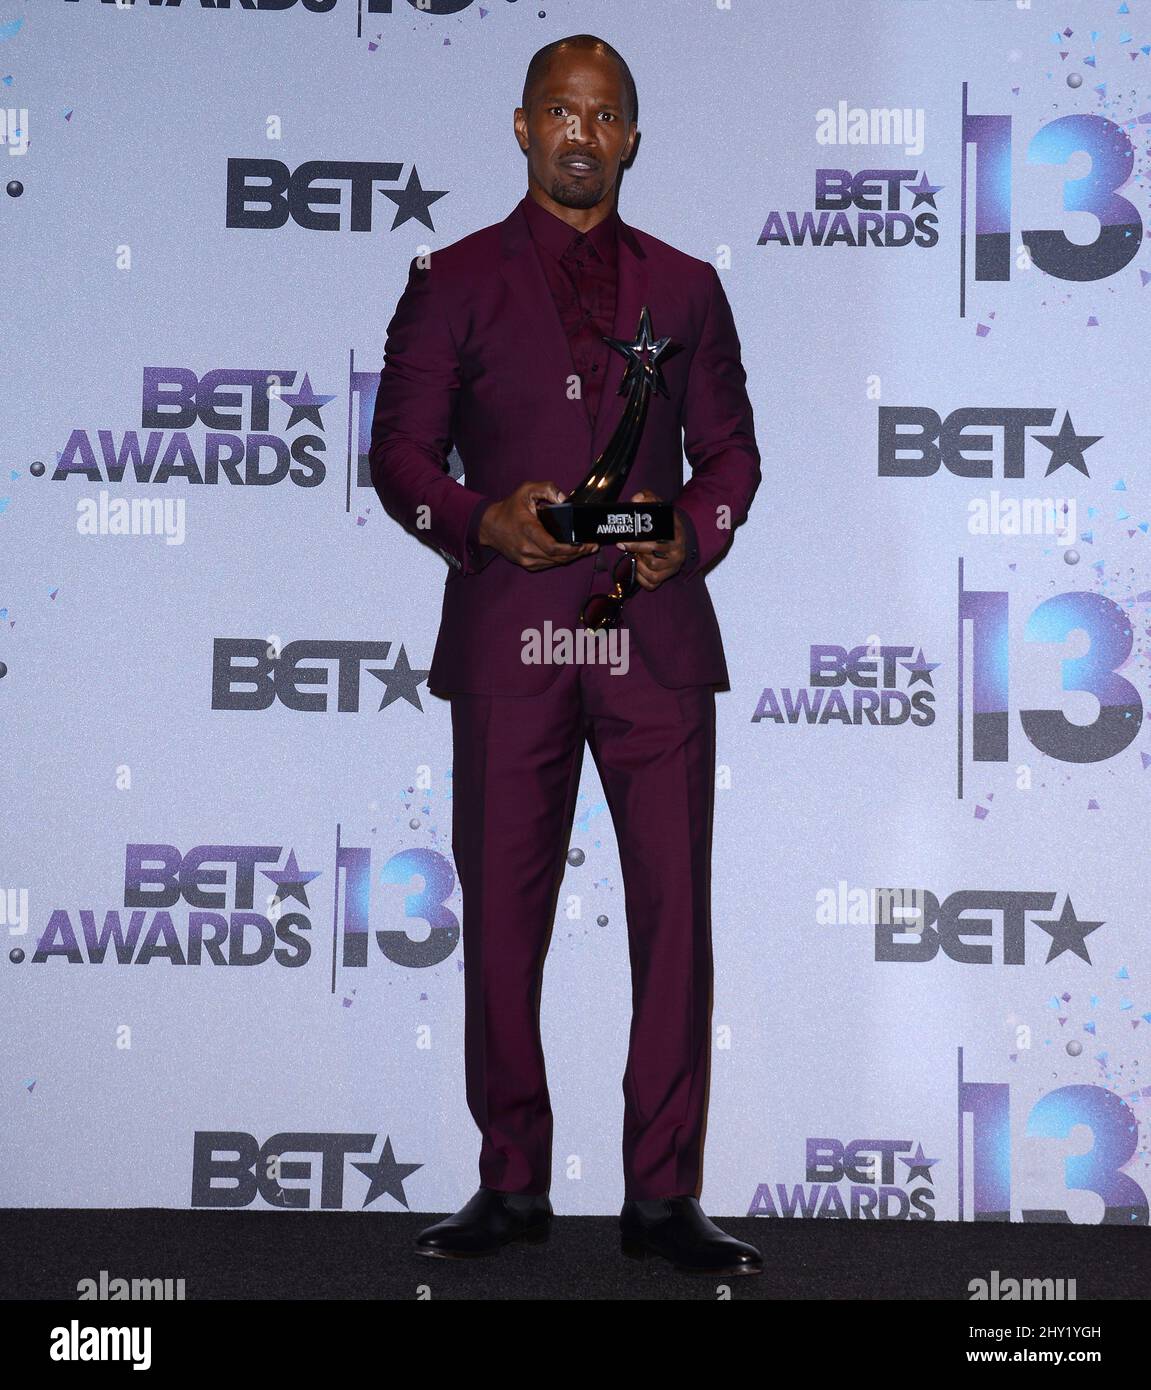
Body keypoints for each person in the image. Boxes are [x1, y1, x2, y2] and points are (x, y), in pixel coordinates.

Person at [370, 33, 763, 1276]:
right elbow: (398, 456)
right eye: (559, 110)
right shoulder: (450, 279)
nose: (580, 132)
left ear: (631, 137)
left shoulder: (689, 287)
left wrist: (686, 542)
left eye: (603, 114)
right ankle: (510, 1182)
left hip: (653, 640)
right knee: (500, 920)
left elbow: (733, 459)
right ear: (523, 127)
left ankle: (662, 1196)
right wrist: (480, 518)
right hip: (507, 637)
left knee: (672, 920)